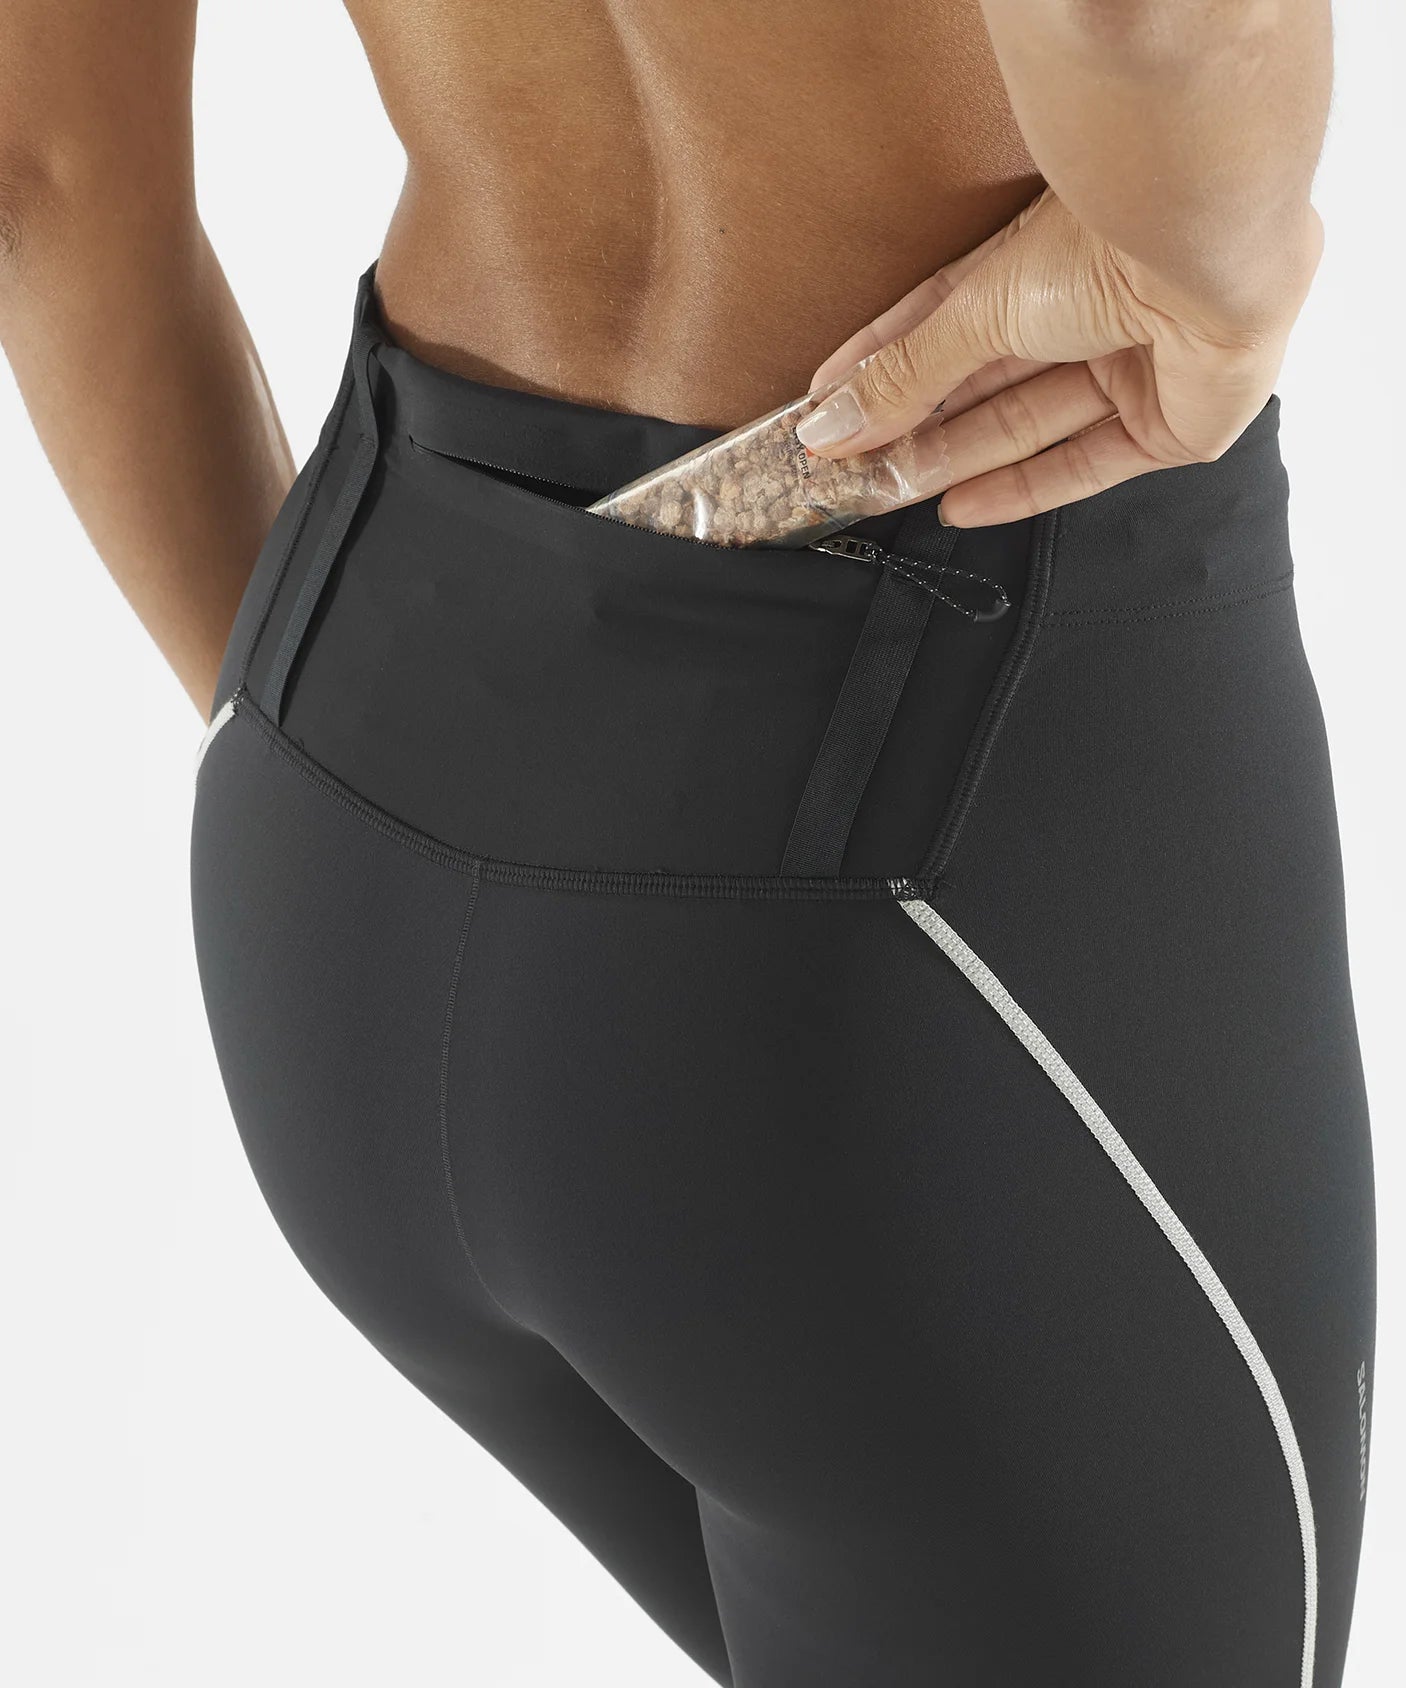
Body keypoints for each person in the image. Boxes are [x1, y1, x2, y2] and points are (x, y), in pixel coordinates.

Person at [0, 4, 1375, 1685]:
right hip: (926, 927)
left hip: (337, 808)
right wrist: (1220, 258)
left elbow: (39, 176)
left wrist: (319, 732)